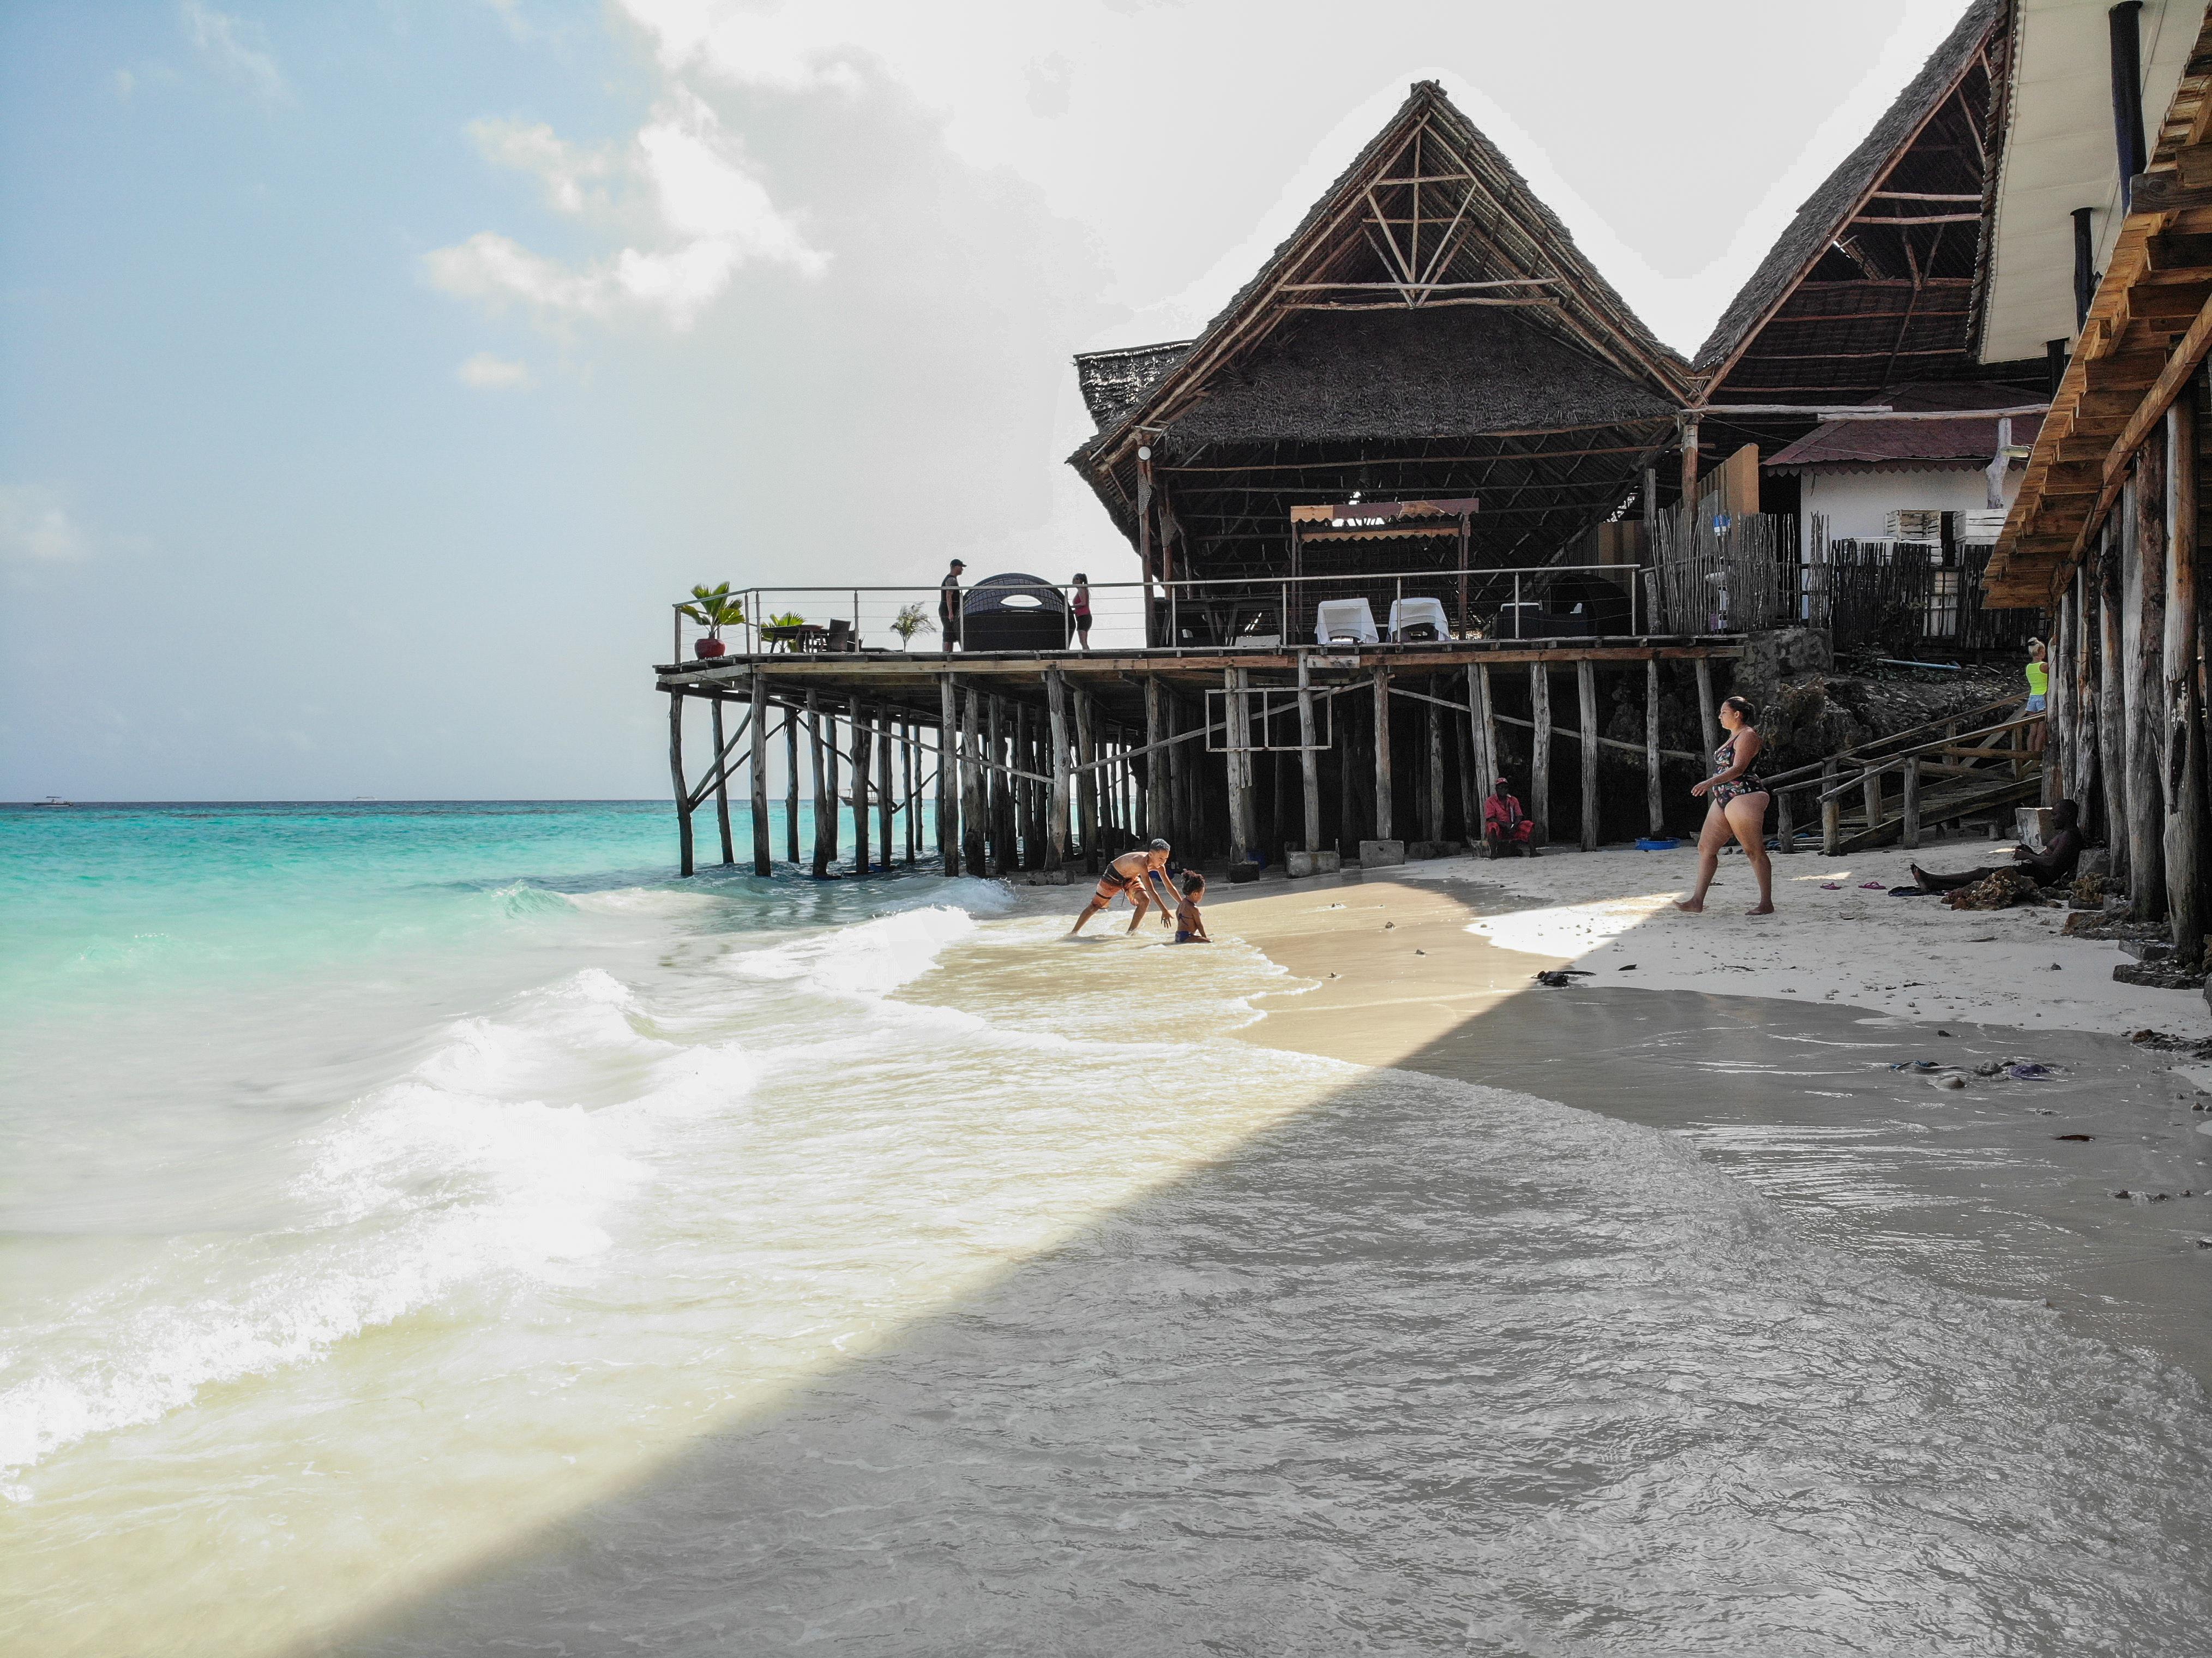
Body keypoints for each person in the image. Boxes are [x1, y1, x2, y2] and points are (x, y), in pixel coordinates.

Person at [1676, 694, 1774, 916]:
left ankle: (1766, 903)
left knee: (1753, 851)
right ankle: (1696, 901)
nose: (1720, 716)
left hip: (1746, 795)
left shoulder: (1748, 735)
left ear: (1737, 715)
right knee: (1706, 848)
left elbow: (1739, 768)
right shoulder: (1733, 736)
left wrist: (1710, 782)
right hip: (1725, 796)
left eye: (1724, 712)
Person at [1909, 798, 2084, 893]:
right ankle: (1934, 882)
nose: (2053, 818)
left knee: (1983, 874)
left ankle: (1933, 879)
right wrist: (2030, 852)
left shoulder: (2071, 836)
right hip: (2035, 871)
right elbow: (2048, 859)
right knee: (1984, 878)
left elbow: (2052, 863)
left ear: (2068, 815)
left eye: (2056, 815)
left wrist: (2028, 857)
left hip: (2038, 877)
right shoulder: (2064, 835)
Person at [1067, 838, 1181, 936]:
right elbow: (1151, 889)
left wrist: (1184, 904)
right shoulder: (1141, 863)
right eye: (1161, 858)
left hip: (1131, 877)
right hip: (1114, 874)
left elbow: (1169, 887)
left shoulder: (1160, 867)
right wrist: (1164, 910)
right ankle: (1073, 933)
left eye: (1166, 859)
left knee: (1145, 901)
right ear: (1151, 854)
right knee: (1095, 906)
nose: (1163, 862)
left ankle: (1130, 934)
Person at [1481, 776, 1536, 857]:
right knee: (1492, 826)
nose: (1504, 790)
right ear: (1496, 789)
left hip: (1513, 827)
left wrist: (1514, 825)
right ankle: (1493, 854)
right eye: (1501, 787)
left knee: (1529, 825)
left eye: (1506, 787)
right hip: (1499, 829)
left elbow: (1519, 815)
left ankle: (1533, 852)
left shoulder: (1513, 800)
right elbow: (1491, 818)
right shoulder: (1490, 801)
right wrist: (1505, 825)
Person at [1170, 870, 1211, 944]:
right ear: (1195, 894)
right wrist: (1205, 938)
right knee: (1209, 942)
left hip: (1179, 935)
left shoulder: (1183, 902)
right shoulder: (1194, 908)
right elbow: (1199, 925)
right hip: (1187, 937)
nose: (1201, 897)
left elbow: (1177, 913)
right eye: (1201, 895)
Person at [2024, 639, 2049, 753]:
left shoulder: (2028, 667)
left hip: (2032, 698)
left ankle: (2030, 755)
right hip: (2042, 698)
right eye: (2044, 651)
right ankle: (2038, 756)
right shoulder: (2044, 666)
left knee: (2032, 731)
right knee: (2041, 730)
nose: (2045, 654)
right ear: (2040, 652)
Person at [939, 558, 966, 652]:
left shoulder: (953, 580)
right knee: (948, 632)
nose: (962, 569)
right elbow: (948, 596)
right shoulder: (951, 580)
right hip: (947, 611)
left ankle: (949, 653)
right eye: (961, 567)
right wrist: (950, 612)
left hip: (950, 610)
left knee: (951, 633)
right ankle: (947, 654)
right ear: (955, 567)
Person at [1071, 573, 1093, 650]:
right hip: (1083, 617)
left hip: (1084, 617)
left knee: (1083, 642)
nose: (1073, 581)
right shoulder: (1082, 589)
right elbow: (1081, 607)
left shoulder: (1081, 589)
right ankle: (1087, 655)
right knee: (1083, 641)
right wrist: (1073, 611)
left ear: (1080, 580)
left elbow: (1083, 603)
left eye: (1076, 579)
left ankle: (1088, 656)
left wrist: (1071, 607)